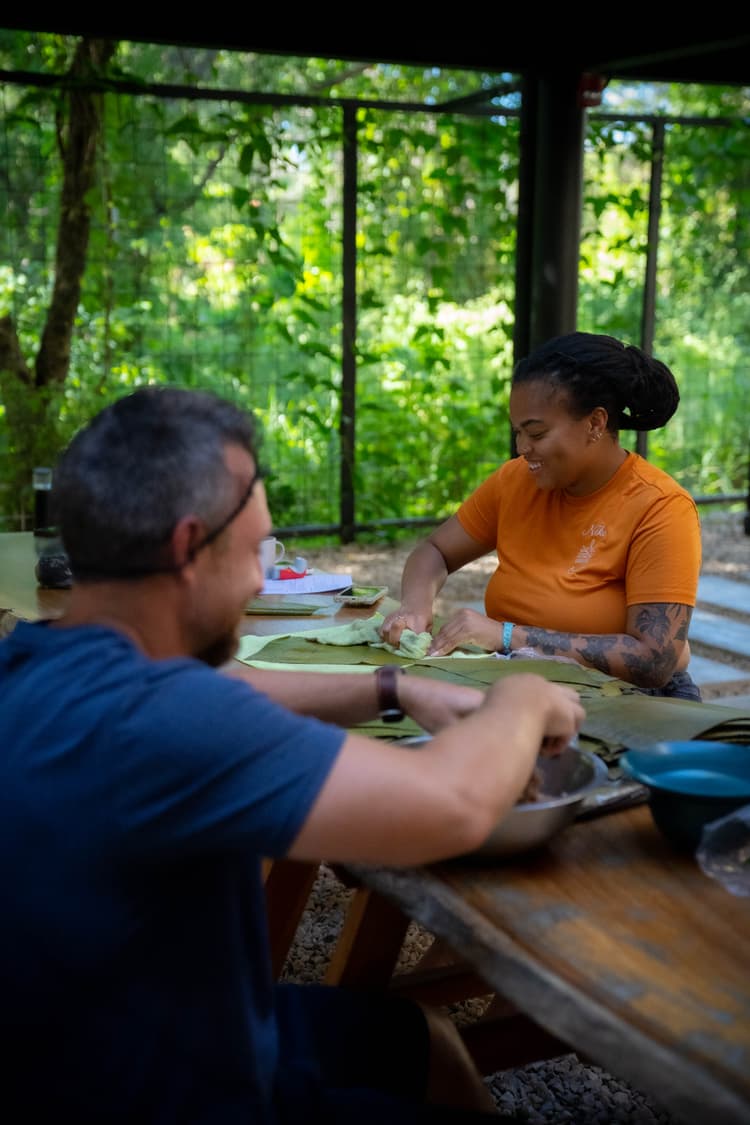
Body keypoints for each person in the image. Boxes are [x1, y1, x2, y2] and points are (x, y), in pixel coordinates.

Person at [0, 385, 584, 1124]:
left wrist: (393, 687)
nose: (258, 580)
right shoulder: (170, 723)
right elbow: (456, 803)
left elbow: (229, 688)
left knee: (423, 1038)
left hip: (111, 1028)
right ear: (187, 548)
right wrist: (522, 697)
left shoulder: (35, 659)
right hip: (175, 1089)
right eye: (257, 553)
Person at [380, 332, 702, 701]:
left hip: (633, 701)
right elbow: (435, 550)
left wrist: (506, 635)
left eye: (536, 432)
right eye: (518, 432)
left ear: (596, 423)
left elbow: (655, 660)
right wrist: (415, 607)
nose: (522, 448)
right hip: (526, 683)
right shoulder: (515, 480)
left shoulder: (660, 506)